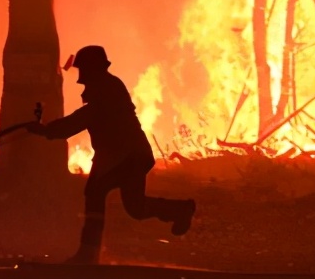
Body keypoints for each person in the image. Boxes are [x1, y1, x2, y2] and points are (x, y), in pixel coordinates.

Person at [26, 45, 196, 265]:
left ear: (92, 69)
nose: (81, 76)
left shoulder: (104, 91)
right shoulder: (108, 86)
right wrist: (48, 130)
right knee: (135, 207)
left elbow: (80, 120)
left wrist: (47, 130)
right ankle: (180, 210)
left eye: (83, 70)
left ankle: (88, 253)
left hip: (123, 157)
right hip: (130, 155)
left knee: (95, 191)